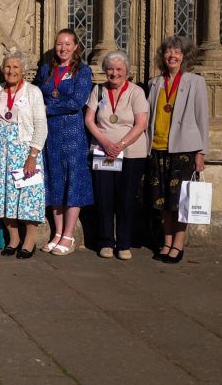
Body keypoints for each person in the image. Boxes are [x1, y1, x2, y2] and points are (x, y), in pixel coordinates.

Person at [145, 36, 209, 264]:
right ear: (163, 56)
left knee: (181, 201)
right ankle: (167, 241)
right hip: (158, 147)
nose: (172, 56)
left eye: (177, 52)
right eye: (168, 52)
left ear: (184, 57)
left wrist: (201, 152)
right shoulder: (154, 83)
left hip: (184, 149)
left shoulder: (195, 82)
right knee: (162, 201)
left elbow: (203, 119)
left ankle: (178, 244)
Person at [84, 50, 148, 260]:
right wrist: (105, 143)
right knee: (104, 197)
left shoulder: (136, 92)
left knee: (126, 198)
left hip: (131, 153)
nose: (114, 73)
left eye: (119, 69)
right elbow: (89, 120)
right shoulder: (98, 91)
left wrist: (119, 145)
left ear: (127, 71)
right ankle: (105, 242)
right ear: (105, 71)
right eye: (110, 69)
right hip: (104, 151)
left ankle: (124, 243)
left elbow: (141, 124)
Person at [0, 51, 47, 258]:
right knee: (2, 194)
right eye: (8, 67)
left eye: (15, 67)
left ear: (24, 71)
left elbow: (41, 126)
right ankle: (14, 238)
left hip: (23, 148)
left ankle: (29, 240)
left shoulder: (33, 92)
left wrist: (33, 155)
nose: (11, 71)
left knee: (28, 194)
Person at [37, 28, 93, 256]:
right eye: (59, 44)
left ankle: (68, 236)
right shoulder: (46, 70)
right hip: (50, 134)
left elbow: (77, 101)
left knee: (73, 183)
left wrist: (48, 108)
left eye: (68, 44)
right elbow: (38, 95)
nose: (63, 48)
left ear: (76, 47)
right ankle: (57, 233)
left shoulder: (83, 71)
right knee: (54, 181)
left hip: (73, 134)